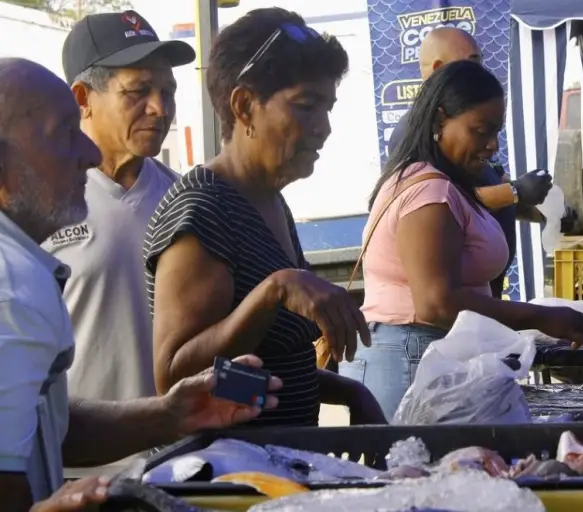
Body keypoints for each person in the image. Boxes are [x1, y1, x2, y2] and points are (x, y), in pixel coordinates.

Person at [0, 57, 283, 511]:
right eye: (62, 134)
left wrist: (169, 415)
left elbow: (45, 425)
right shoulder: (13, 283)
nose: (87, 155)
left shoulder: (177, 192)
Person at [143, 8, 385, 427]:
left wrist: (349, 391)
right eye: (307, 106)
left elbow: (260, 367)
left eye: (327, 108)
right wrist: (274, 291)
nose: (324, 127)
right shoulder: (203, 208)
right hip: (227, 480)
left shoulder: (269, 199)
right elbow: (175, 378)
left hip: (278, 469)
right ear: (244, 105)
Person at [339, 60, 583, 420]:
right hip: (408, 358)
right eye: (480, 131)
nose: (492, 145)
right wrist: (541, 317)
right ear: (441, 120)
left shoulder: (438, 181)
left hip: (418, 353)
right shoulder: (431, 191)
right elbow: (436, 304)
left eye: (496, 132)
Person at [39, 11, 194, 403]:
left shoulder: (184, 200)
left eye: (168, 91)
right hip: (74, 457)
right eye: (137, 91)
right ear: (82, 99)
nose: (159, 107)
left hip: (173, 454)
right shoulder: (34, 207)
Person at [386, 26, 553, 298]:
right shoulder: (414, 132)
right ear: (439, 69)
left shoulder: (461, 136)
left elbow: (473, 196)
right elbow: (443, 203)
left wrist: (529, 206)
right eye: (473, 64)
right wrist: (515, 191)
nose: (482, 74)